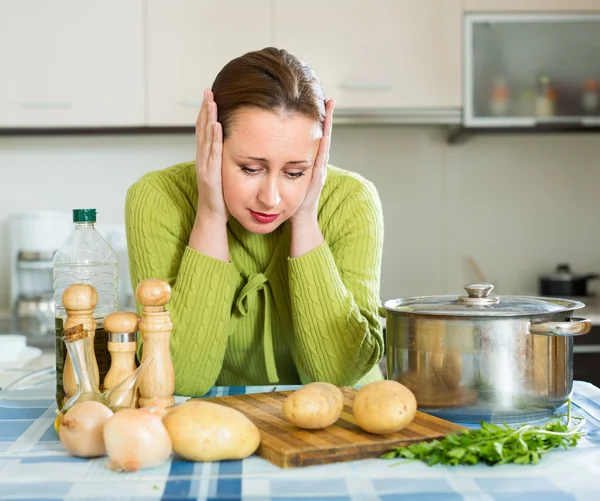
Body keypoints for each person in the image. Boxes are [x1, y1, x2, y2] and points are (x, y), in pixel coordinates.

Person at [125, 47, 384, 397]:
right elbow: (180, 379)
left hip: (339, 421)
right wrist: (211, 214)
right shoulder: (158, 198)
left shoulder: (351, 200)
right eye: (250, 168)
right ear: (209, 140)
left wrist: (306, 218)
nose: (271, 198)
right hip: (215, 422)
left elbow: (338, 375)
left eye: (295, 172)